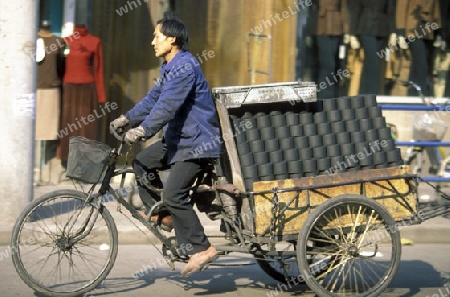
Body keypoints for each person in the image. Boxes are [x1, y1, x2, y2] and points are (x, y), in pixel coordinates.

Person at [110, 13, 220, 276]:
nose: (152, 42)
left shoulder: (185, 67)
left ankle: (201, 247)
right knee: (141, 162)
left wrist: (143, 131)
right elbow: (152, 100)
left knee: (173, 193)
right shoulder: (171, 67)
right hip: (178, 140)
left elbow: (167, 107)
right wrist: (128, 118)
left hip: (196, 143)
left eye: (156, 36)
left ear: (172, 39)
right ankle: (166, 215)